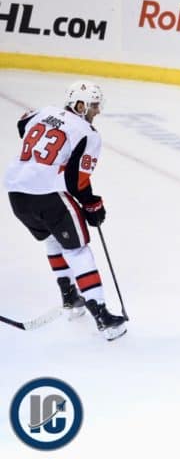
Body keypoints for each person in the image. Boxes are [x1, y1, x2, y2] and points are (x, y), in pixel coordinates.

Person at [3, 81, 127, 341]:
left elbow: (22, 124)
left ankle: (70, 296)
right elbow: (75, 180)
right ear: (79, 105)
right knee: (77, 250)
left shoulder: (45, 111)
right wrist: (92, 204)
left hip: (16, 193)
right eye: (93, 105)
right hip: (48, 196)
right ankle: (101, 315)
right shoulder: (88, 134)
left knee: (52, 238)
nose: (97, 111)